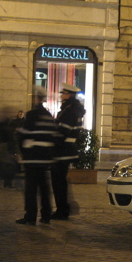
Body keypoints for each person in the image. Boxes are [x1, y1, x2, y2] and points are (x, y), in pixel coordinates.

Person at [15, 95, 57, 225]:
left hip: (32, 157)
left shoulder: (31, 115)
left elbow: (24, 134)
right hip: (45, 157)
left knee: (31, 189)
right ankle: (46, 215)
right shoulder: (48, 116)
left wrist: (23, 151)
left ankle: (31, 216)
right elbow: (53, 136)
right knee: (44, 188)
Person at [51, 83, 85, 220]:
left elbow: (62, 132)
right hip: (64, 150)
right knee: (59, 182)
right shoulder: (71, 109)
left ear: (68, 95)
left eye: (63, 93)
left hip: (62, 151)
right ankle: (62, 209)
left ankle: (62, 210)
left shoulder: (70, 111)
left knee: (58, 182)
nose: (61, 95)